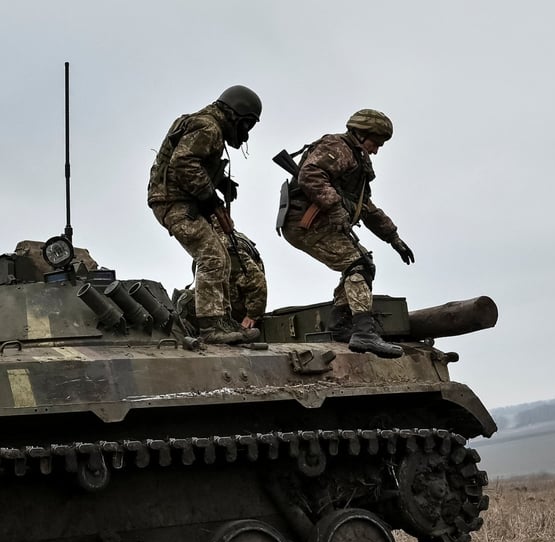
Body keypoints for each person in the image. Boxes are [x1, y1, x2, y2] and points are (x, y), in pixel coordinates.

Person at [279, 109, 414, 359]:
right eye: (375, 143)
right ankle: (363, 331)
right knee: (357, 265)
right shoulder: (338, 147)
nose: (376, 150)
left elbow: (365, 207)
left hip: (318, 224)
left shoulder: (356, 159)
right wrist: (333, 206)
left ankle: (342, 326)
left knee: (364, 264)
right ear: (361, 134)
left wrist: (393, 237)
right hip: (304, 223)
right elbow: (310, 174)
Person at [147, 85, 263, 345]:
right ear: (236, 117)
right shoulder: (208, 127)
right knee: (211, 256)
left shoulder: (206, 124)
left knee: (220, 256)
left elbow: (193, 160)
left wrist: (220, 181)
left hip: (179, 200)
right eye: (247, 126)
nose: (245, 135)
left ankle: (222, 320)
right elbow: (183, 163)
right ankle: (211, 327)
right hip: (174, 202)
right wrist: (211, 197)